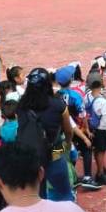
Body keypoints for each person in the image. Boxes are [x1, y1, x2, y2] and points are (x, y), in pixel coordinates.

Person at [17, 68, 74, 202]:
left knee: (37, 197)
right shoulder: (58, 105)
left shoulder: (21, 106)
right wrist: (67, 144)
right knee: (64, 193)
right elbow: (68, 131)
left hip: (30, 155)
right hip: (55, 152)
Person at [82, 76, 106, 189]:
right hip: (101, 129)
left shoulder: (86, 97)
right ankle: (100, 174)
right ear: (100, 86)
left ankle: (101, 168)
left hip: (90, 127)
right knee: (101, 151)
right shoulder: (102, 101)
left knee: (96, 150)